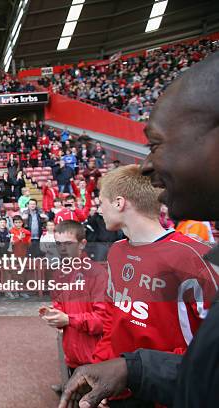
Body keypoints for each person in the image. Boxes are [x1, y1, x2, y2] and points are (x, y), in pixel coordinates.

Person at [59, 55, 219, 404]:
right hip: (124, 387)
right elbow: (115, 323)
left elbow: (203, 356)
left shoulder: (192, 257)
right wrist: (103, 372)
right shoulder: (117, 252)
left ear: (119, 203)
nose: (147, 163)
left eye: (155, 144)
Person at [39, 220, 107, 393]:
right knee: (73, 391)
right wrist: (54, 314)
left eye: (68, 244)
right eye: (58, 244)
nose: (62, 249)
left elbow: (103, 321)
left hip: (93, 357)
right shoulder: (59, 272)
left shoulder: (97, 274)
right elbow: (60, 303)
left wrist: (68, 319)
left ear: (82, 244)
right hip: (71, 351)